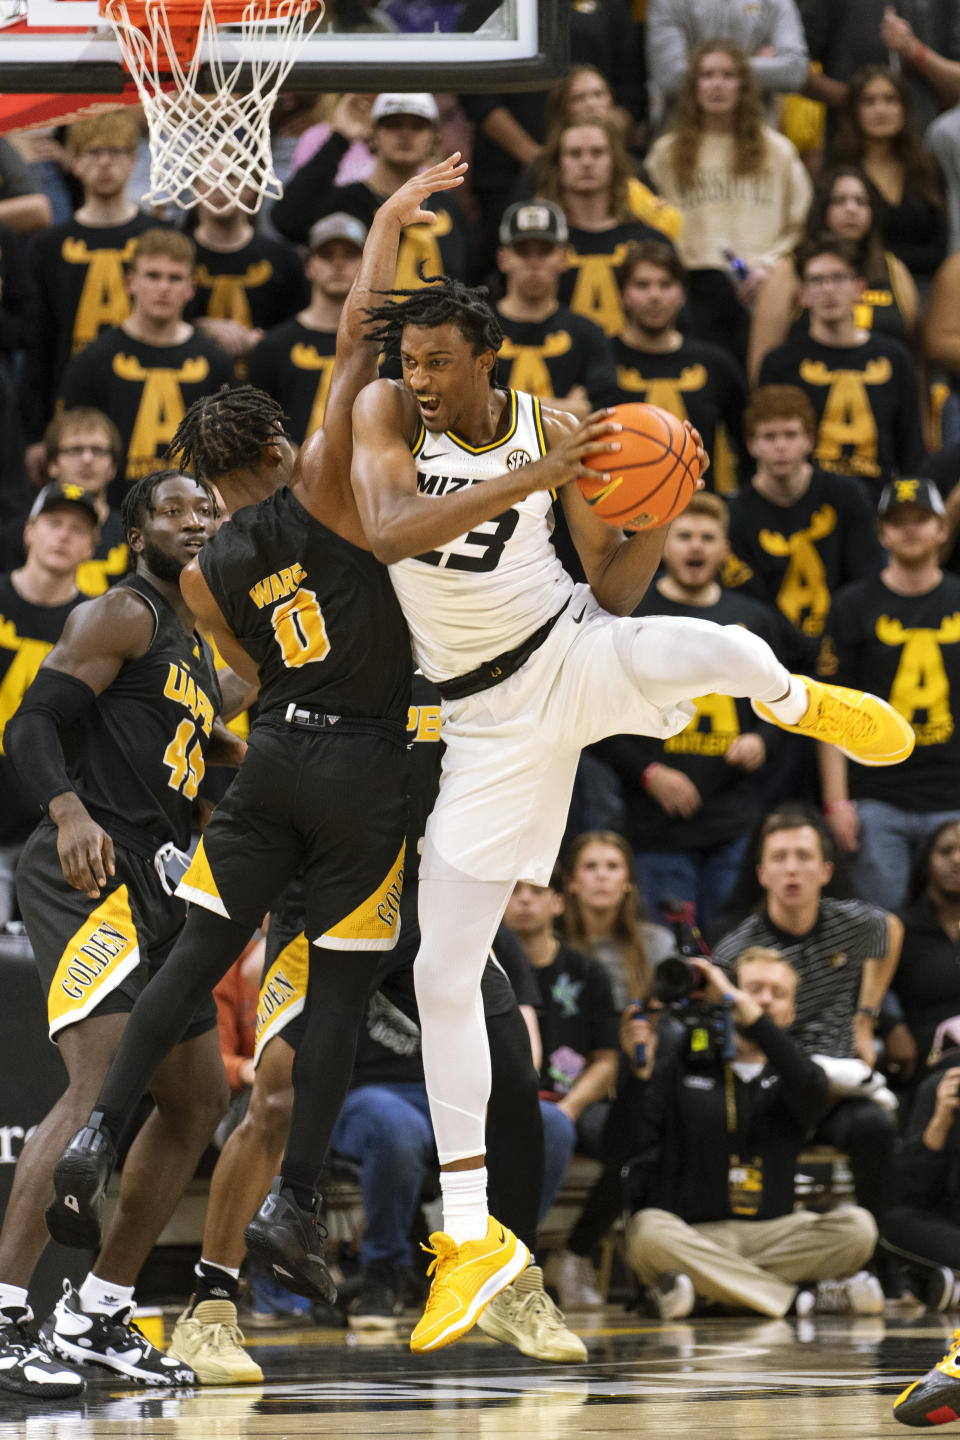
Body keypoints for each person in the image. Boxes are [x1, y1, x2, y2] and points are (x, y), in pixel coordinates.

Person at [345, 265, 914, 1353]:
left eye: (436, 361)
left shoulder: (550, 427)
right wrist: (542, 475)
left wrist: (658, 509)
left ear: (485, 359)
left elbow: (609, 587)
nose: (416, 378)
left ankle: (804, 704)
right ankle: (468, 1240)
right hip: (475, 722)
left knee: (720, 644)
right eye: (408, 360)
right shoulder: (389, 417)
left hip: (565, 649)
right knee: (440, 971)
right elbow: (388, 534)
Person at [46, 157, 481, 1326]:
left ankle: (96, 1127)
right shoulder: (334, 476)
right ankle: (293, 1204)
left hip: (273, 758)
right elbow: (356, 335)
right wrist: (389, 219)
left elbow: (235, 685)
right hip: (369, 764)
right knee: (338, 989)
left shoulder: (210, 565)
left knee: (193, 957)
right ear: (281, 446)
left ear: (206, 481)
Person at [165, 669, 583, 1380]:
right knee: (276, 1099)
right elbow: (226, 686)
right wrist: (191, 710)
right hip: (328, 888)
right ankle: (208, 1310)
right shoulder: (336, 618)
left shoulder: (459, 631)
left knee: (515, 1077)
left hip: (432, 892)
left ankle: (513, 1282)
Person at [0, 468, 246, 1397]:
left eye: (206, 511)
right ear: (137, 530)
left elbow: (208, 738)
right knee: (97, 1085)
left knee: (195, 1100)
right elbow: (31, 727)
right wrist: (67, 813)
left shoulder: (190, 641)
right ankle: (3, 1312)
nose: (196, 521)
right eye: (175, 510)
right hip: (88, 867)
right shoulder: (122, 614)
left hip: (158, 880)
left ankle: (98, 1313)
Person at [614, 948, 882, 1319]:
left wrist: (754, 1016)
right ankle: (799, 1299)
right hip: (694, 1234)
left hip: (776, 1233)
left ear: (790, 1012)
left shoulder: (797, 1072)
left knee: (858, 1228)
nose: (764, 1000)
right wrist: (637, 1076)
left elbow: (812, 1092)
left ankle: (707, 1292)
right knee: (645, 1232)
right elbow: (623, 1144)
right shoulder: (681, 1061)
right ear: (723, 996)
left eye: (778, 993)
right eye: (753, 988)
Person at [711, 809, 903, 1249]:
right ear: (762, 873)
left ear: (825, 870)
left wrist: (866, 1015)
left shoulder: (852, 923)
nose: (792, 867)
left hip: (839, 1088)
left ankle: (885, 1259)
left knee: (875, 1127)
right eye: (779, 857)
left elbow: (891, 930)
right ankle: (769, 1254)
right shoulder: (737, 949)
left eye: (803, 856)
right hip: (775, 1088)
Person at [599, 492, 784, 928]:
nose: (696, 546)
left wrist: (763, 737)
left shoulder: (754, 618)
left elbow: (786, 697)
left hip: (732, 822)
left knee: (731, 947)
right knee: (672, 954)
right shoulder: (632, 615)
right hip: (655, 824)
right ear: (663, 544)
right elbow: (596, 716)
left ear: (725, 549)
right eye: (683, 536)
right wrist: (650, 774)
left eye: (707, 537)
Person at [818, 478, 960, 910]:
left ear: (942, 529)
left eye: (921, 520)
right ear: (881, 534)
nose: (910, 529)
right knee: (881, 930)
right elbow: (831, 710)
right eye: (898, 522)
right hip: (876, 797)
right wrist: (837, 802)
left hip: (954, 794)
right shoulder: (851, 605)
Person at [645, 42, 812, 365]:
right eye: (707, 76)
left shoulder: (778, 151)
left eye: (728, 75)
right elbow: (653, 226)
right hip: (690, 288)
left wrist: (771, 267)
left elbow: (802, 223)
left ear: (744, 87)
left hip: (763, 285)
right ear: (693, 87)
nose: (717, 85)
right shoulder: (665, 154)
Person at [504, 869, 619, 1311]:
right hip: (499, 1103)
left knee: (636, 1139)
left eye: (536, 890)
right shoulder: (482, 969)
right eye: (513, 890)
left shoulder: (587, 972)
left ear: (558, 902)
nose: (525, 900)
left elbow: (607, 1059)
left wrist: (571, 1107)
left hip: (569, 1100)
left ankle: (575, 1252)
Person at [21, 113, 158, 481]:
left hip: (145, 395)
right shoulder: (49, 246)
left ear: (133, 160)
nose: (104, 162)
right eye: (92, 152)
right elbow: (39, 342)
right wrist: (36, 433)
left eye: (115, 151)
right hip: (71, 398)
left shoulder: (157, 236)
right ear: (73, 161)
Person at [58, 229, 235, 492]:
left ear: (190, 288)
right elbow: (73, 447)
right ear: (131, 281)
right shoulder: (92, 360)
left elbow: (227, 452)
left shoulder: (216, 362)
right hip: (115, 512)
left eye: (175, 278)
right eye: (153, 276)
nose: (163, 287)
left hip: (195, 514)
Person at [724, 384, 883, 673]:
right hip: (769, 657)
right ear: (751, 444)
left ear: (810, 440)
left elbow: (867, 576)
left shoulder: (847, 495)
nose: (781, 446)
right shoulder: (735, 514)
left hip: (846, 646)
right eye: (769, 437)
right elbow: (749, 600)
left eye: (791, 434)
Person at [0, 483, 99, 927]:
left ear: (92, 547)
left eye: (77, 529)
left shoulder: (99, 625)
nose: (63, 536)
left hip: (55, 829)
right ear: (28, 531)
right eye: (54, 523)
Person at [758, 237, 925, 498]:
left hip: (877, 504)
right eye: (817, 280)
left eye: (838, 278)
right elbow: (765, 443)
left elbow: (911, 446)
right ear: (802, 294)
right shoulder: (780, 363)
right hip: (804, 503)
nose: (828, 289)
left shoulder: (894, 357)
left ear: (860, 288)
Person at [272, 93, 469, 287]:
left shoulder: (447, 205)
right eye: (393, 124)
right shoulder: (346, 201)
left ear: (434, 138)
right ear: (373, 135)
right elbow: (287, 221)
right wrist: (340, 138)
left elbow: (465, 277)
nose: (405, 133)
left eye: (417, 126)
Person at [748, 164, 920, 385]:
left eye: (861, 201)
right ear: (821, 209)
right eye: (839, 200)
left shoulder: (895, 270)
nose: (851, 209)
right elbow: (761, 366)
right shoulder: (791, 270)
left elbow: (914, 357)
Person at [612, 239, 748, 493]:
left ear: (682, 294)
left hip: (699, 515)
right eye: (642, 285)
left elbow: (749, 444)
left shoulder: (715, 364)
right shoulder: (601, 359)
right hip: (616, 514)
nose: (655, 295)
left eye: (665, 284)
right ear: (623, 294)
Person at [534, 116, 675, 338]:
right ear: (557, 163)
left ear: (615, 161)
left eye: (597, 152)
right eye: (574, 154)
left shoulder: (650, 242)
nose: (587, 162)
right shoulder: (537, 246)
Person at [247, 213, 367, 446]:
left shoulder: (386, 345)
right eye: (326, 255)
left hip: (367, 477)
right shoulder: (272, 348)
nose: (338, 264)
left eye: (350, 255)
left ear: (367, 264)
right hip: (290, 477)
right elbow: (256, 434)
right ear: (308, 265)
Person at [495, 200, 618, 419]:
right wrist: (568, 408)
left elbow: (604, 413)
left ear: (564, 258)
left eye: (545, 251)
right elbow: (470, 409)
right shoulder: (477, 329)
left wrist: (502, 403)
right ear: (503, 259)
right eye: (523, 252)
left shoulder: (587, 333)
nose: (533, 263)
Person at [829, 64, 947, 283]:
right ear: (854, 111)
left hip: (927, 286)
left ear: (904, 108)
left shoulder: (928, 169)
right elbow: (838, 247)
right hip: (862, 286)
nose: (880, 109)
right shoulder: (837, 173)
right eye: (869, 101)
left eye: (890, 100)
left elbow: (940, 250)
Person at [188, 163, 309, 368]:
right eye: (208, 177)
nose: (219, 186)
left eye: (231, 177)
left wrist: (265, 341)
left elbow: (304, 329)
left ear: (250, 188)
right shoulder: (175, 257)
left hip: (265, 385)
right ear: (193, 188)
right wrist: (202, 327)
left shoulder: (283, 258)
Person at [646, 0, 810, 105]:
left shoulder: (776, 2)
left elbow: (794, 72)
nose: (718, 82)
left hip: (758, 137)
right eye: (710, 74)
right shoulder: (668, 3)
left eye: (727, 75)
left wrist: (700, 66)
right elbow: (670, 75)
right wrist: (755, 63)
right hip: (682, 137)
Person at [39, 409, 129, 597]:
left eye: (98, 451)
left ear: (113, 467)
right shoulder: (14, 537)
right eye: (75, 450)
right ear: (52, 464)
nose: (87, 459)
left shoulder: (133, 535)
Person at [892, 820, 960, 1068]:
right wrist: (892, 1026)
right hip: (929, 1055)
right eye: (946, 851)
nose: (957, 859)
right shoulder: (899, 927)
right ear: (926, 861)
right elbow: (873, 989)